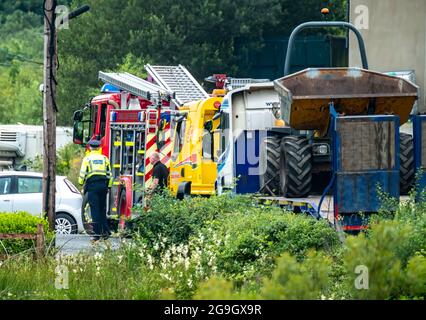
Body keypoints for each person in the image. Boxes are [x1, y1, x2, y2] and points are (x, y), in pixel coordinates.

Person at [78, 139, 113, 242]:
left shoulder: (87, 159)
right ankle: (105, 232)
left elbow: (82, 174)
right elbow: (109, 175)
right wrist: (109, 186)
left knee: (95, 210)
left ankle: (96, 234)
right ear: (98, 147)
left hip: (92, 186)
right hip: (103, 186)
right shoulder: (104, 158)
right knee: (102, 209)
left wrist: (81, 182)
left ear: (90, 147)